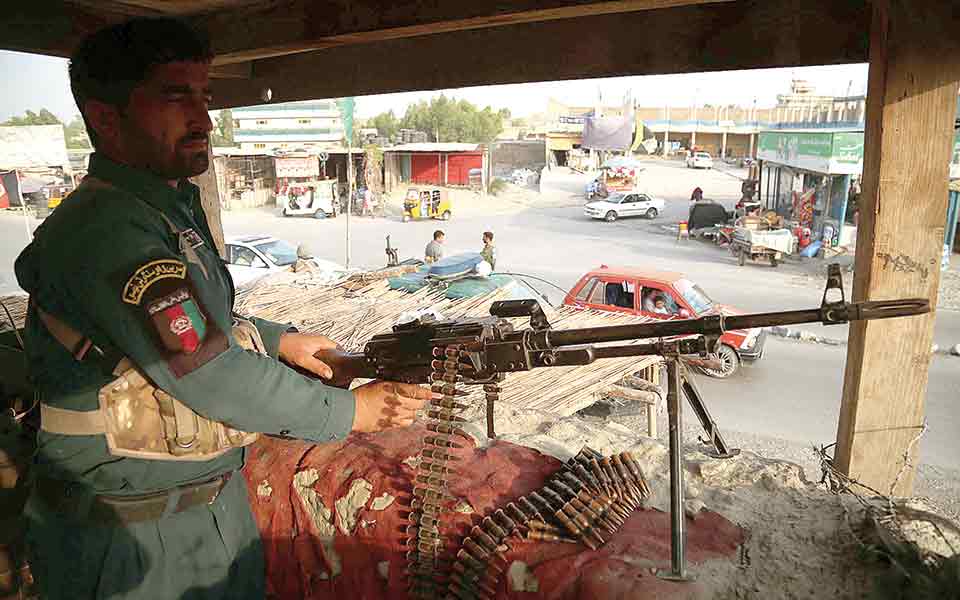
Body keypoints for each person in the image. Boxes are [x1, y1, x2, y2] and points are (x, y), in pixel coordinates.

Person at [14, 18, 430, 600]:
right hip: (129, 541)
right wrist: (350, 412)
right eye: (175, 97)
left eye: (204, 97)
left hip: (211, 512)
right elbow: (208, 369)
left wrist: (280, 340)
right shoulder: (107, 231)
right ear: (106, 118)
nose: (204, 121)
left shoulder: (164, 211)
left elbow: (187, 322)